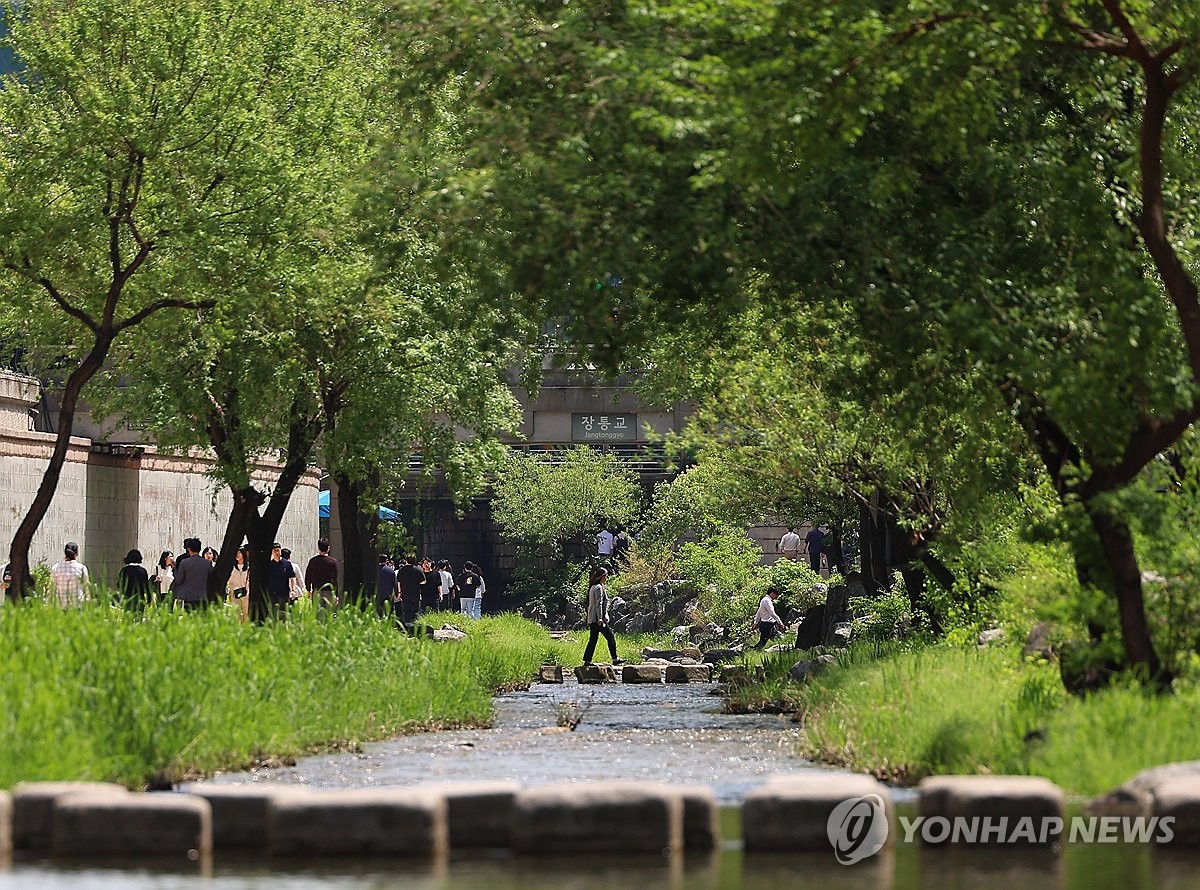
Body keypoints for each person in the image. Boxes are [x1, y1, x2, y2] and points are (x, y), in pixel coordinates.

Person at [581, 566, 622, 666]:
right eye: (606, 576)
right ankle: (615, 658)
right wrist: (600, 618)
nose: (606, 578)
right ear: (601, 577)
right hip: (597, 619)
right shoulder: (598, 587)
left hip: (593, 618)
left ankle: (587, 660)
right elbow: (598, 604)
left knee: (593, 639)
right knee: (610, 636)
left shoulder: (593, 587)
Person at [171, 537, 213, 610]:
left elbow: (178, 580)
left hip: (189, 597)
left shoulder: (184, 563)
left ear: (189, 549)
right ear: (200, 549)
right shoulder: (207, 564)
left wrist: (174, 568)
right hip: (203, 597)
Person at [50, 541, 90, 608]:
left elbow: (52, 587)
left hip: (60, 605)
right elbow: (86, 586)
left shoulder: (56, 567)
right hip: (77, 604)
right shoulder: (81, 568)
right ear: (76, 554)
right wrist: (88, 600)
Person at [305, 538, 339, 614]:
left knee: (317, 614)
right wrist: (336, 594)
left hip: (317, 590)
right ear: (328, 548)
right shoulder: (333, 562)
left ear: (318, 547)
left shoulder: (313, 561)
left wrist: (308, 589)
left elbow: (308, 576)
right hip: (329, 591)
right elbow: (335, 579)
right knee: (330, 614)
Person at [266, 542, 296, 617]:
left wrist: (293, 590)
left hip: (284, 594)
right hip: (272, 594)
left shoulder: (287, 564)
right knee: (273, 614)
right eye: (275, 550)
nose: (277, 552)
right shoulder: (269, 565)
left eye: (278, 550)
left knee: (283, 614)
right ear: (272, 552)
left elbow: (292, 577)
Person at [396, 555, 427, 628]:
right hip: (415, 592)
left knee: (406, 610)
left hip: (405, 592)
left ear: (406, 560)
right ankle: (415, 625)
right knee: (415, 610)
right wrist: (416, 582)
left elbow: (399, 582)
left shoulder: (402, 570)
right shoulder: (418, 570)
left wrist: (399, 592)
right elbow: (424, 581)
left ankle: (407, 626)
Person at [751, 586, 785, 650]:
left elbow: (759, 612)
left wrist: (755, 622)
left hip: (769, 625)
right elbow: (772, 613)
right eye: (776, 594)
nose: (776, 596)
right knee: (762, 642)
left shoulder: (764, 600)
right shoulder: (767, 601)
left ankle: (781, 651)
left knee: (779, 638)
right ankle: (752, 651)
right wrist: (780, 622)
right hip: (767, 625)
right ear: (772, 593)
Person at [227, 545, 251, 623]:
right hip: (235, 593)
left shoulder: (249, 568)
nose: (237, 555)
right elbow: (230, 581)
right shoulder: (232, 567)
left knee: (246, 614)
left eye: (239, 553)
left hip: (246, 595)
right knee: (236, 614)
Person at [375, 553, 398, 619]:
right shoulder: (390, 571)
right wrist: (397, 594)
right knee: (389, 612)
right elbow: (395, 583)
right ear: (386, 560)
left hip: (378, 594)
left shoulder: (375, 570)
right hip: (388, 594)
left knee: (379, 612)